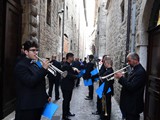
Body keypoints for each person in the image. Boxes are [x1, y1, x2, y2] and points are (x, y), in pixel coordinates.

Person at [14, 40, 50, 120]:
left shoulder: (34, 64)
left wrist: (45, 96)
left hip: (37, 105)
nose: (36, 53)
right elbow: (30, 82)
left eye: (37, 50)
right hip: (27, 107)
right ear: (26, 52)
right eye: (33, 50)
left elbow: (39, 81)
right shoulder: (21, 66)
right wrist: (43, 69)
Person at [114, 53, 146, 120]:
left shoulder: (140, 72)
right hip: (129, 105)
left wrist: (121, 78)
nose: (128, 63)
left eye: (129, 61)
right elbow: (129, 82)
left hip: (133, 106)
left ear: (135, 60)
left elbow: (131, 87)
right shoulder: (135, 70)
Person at [61, 53, 79, 120]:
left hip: (69, 86)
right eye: (72, 57)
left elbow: (71, 73)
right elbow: (68, 75)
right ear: (69, 57)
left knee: (68, 100)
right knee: (66, 100)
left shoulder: (68, 65)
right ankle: (64, 116)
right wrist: (76, 76)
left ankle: (67, 112)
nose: (73, 59)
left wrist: (76, 72)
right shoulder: (66, 66)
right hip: (66, 86)